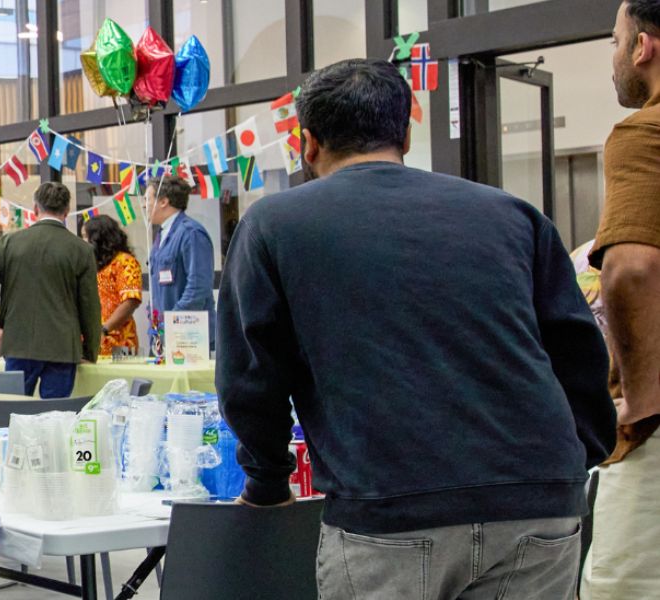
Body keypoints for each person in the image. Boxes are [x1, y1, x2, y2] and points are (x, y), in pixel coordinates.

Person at [218, 59, 613, 599]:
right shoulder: (513, 215)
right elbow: (577, 348)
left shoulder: (273, 225)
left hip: (390, 508)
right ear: (406, 132)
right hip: (539, 498)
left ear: (306, 144)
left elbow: (250, 376)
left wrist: (267, 482)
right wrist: (576, 454)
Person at [588, 2, 660, 595]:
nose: (613, 59)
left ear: (643, 48)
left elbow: (630, 271)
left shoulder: (644, 132)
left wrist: (639, 405)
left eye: (615, 42)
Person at [0, 182, 101, 398]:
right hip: (62, 347)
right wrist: (89, 351)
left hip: (17, 343)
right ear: (67, 212)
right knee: (55, 418)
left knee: (12, 413)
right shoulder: (82, 249)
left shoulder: (9, 242)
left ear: (34, 209)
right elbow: (90, 306)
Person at [147, 176, 213, 316]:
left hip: (187, 332)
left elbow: (197, 288)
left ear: (164, 202)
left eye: (148, 199)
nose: (144, 205)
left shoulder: (191, 233)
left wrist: (173, 322)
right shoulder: (161, 234)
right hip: (163, 330)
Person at [83, 218, 143, 358]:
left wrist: (104, 329)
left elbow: (131, 301)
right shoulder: (92, 264)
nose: (82, 241)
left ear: (98, 238)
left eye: (85, 236)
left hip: (121, 342)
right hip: (93, 343)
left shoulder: (125, 261)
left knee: (121, 379)